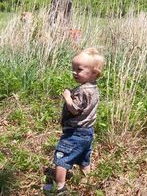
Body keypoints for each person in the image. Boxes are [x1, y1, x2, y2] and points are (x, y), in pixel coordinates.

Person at [43, 48, 105, 195]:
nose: (74, 72)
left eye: (79, 69)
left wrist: (67, 97)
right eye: (73, 69)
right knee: (84, 158)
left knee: (61, 157)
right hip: (88, 132)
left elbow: (75, 109)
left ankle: (60, 187)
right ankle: (87, 181)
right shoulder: (93, 88)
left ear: (94, 73)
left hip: (75, 132)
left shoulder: (82, 90)